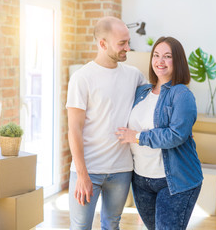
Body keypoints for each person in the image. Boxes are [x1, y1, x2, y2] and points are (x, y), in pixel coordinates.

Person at [66, 16, 146, 230]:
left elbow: (154, 104)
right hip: (88, 170)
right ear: (102, 44)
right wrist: (82, 175)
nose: (127, 48)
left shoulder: (135, 76)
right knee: (81, 226)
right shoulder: (82, 78)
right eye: (122, 43)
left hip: (121, 170)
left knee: (112, 225)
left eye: (128, 42)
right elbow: (74, 129)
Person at [116, 36, 203, 230]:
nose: (159, 61)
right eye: (156, 55)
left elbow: (176, 135)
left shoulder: (181, 94)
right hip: (141, 180)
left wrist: (138, 136)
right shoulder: (142, 92)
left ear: (177, 60)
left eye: (167, 56)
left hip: (174, 182)